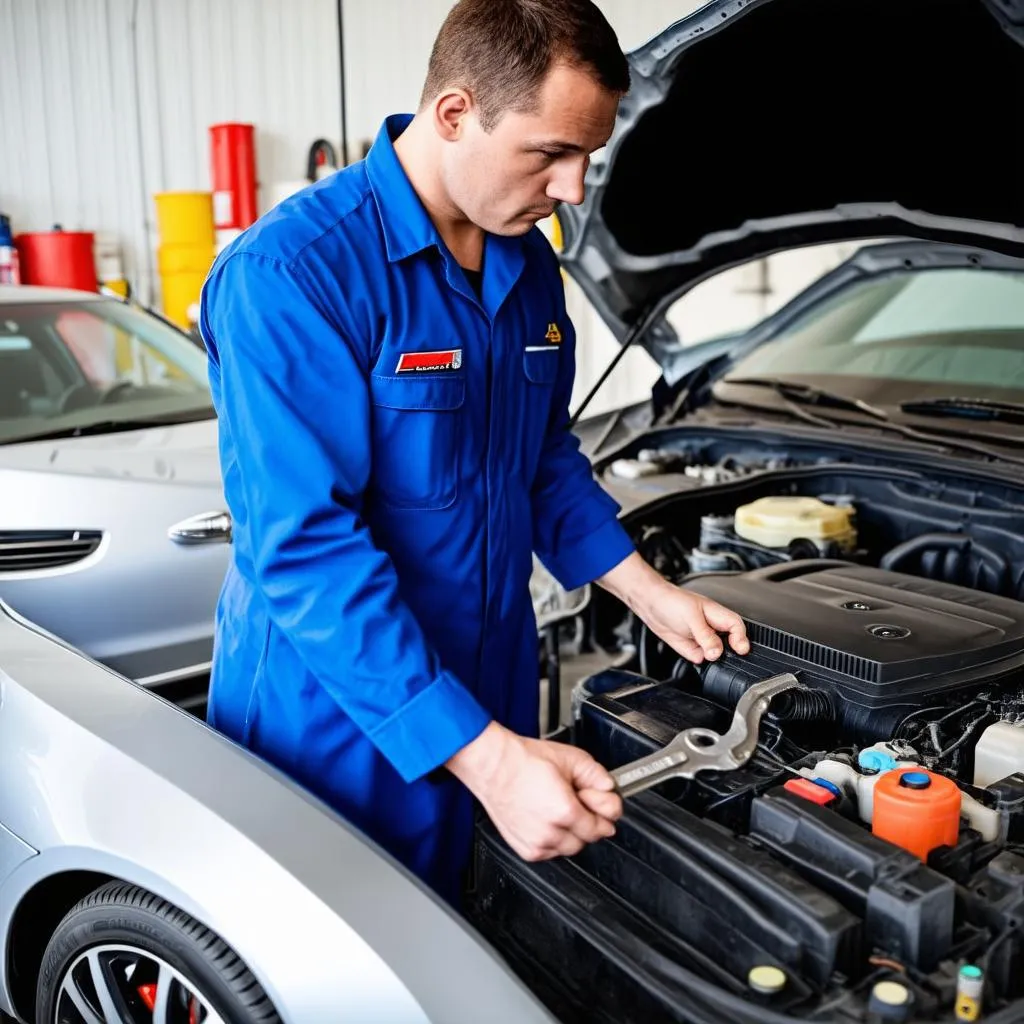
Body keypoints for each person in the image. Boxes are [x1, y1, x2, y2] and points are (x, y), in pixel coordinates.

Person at [198, 0, 749, 907]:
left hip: (490, 678)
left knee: (475, 931)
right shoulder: (293, 276)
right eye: (550, 154)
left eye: (589, 158)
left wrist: (646, 591)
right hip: (338, 713)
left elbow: (538, 459)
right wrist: (486, 760)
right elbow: (304, 551)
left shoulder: (524, 259)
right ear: (455, 114)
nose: (574, 190)